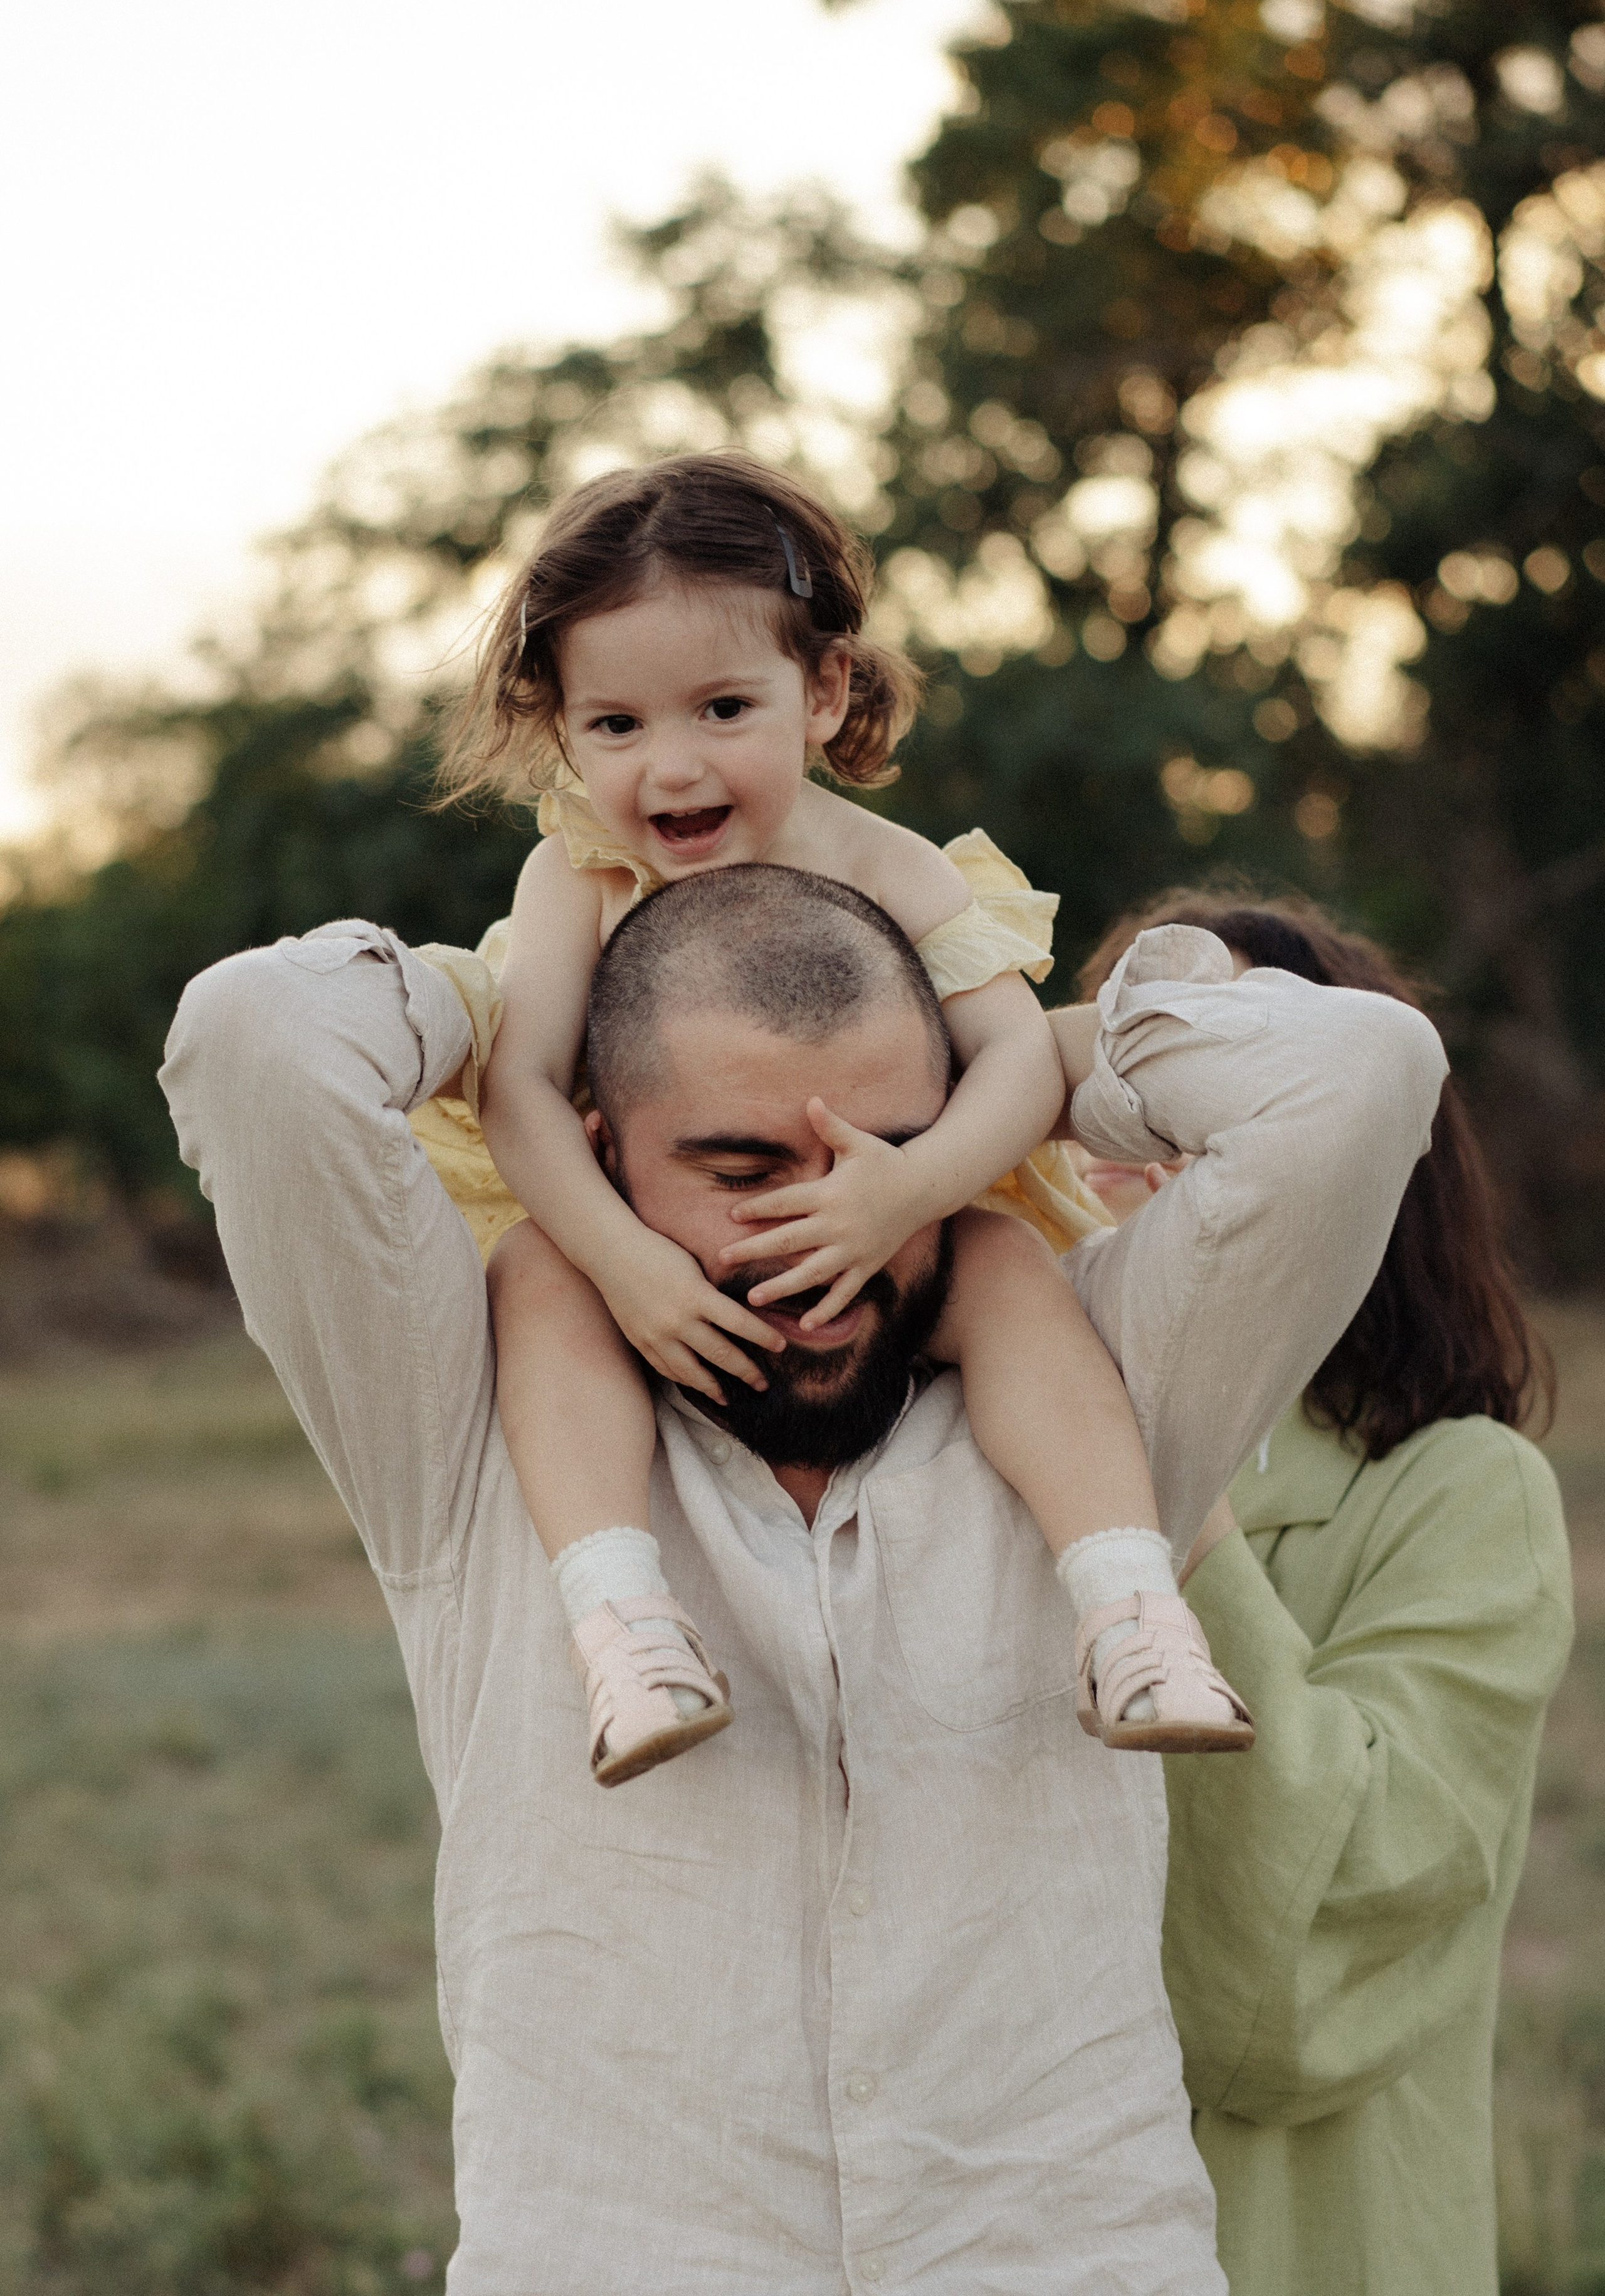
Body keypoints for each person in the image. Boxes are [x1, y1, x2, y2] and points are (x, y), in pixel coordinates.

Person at [159, 865, 1444, 2291]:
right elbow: (257, 1041)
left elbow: (1362, 1070)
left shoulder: (1112, 1382)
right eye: (741, 1170)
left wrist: (1015, 1077)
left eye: (878, 1153)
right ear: (600, 1152)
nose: (822, 1232)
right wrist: (515, 1045)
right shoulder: (458, 1414)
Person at [413, 449, 1246, 1783]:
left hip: (892, 1217)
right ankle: (624, 1628)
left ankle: (1127, 1610)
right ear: (559, 725)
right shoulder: (575, 871)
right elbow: (519, 1085)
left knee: (1007, 1273)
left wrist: (909, 1192)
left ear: (823, 690)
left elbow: (1016, 1063)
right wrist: (624, 1265)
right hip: (643, 1228)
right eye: (615, 725)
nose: (670, 768)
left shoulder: (886, 866)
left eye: (721, 708)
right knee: (536, 1274)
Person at [1075, 893, 1574, 2296]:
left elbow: (1307, 1979)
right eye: (1117, 1070)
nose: (1134, 1130)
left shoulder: (1462, 1493)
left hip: (1292, 2248)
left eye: (1212, 1076)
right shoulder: (957, 1448)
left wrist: (1164, 1486)